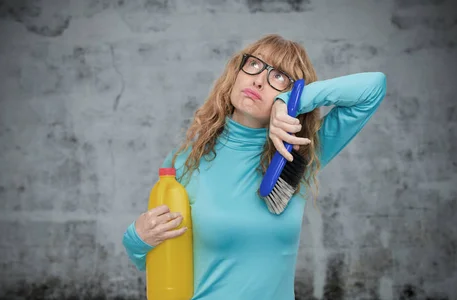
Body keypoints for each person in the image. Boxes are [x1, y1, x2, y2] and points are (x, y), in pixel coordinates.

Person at [122, 34, 387, 300]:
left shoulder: (298, 151)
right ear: (237, 72)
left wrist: (291, 102)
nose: (258, 80)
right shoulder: (186, 160)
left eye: (279, 77)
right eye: (254, 64)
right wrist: (137, 239)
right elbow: (162, 261)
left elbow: (373, 87)